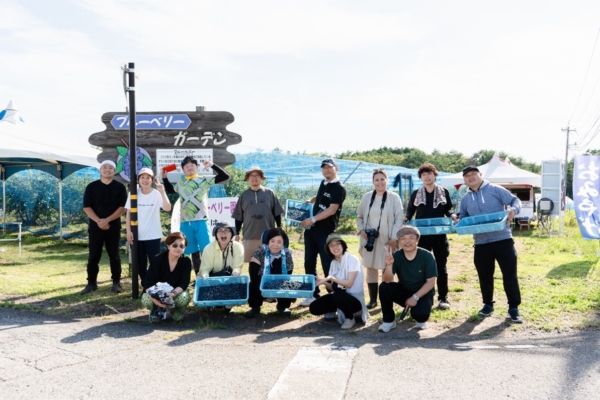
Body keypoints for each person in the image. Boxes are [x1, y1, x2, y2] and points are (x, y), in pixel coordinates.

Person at [459, 165, 523, 323]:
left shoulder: (495, 189)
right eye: (467, 176)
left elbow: (515, 200)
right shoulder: (465, 198)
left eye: (473, 174)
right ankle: (488, 304)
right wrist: (460, 222)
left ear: (480, 174)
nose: (471, 177)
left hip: (503, 239)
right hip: (480, 242)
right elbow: (463, 217)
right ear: (464, 180)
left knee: (509, 274)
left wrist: (514, 210)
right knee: (484, 275)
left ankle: (513, 308)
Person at [162, 156, 230, 277]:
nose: (189, 168)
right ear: (183, 170)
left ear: (197, 167)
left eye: (192, 165)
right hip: (185, 222)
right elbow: (171, 191)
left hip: (201, 220)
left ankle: (210, 276)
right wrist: (164, 178)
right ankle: (199, 277)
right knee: (192, 251)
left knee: (206, 249)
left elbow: (225, 176)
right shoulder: (181, 182)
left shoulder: (204, 179)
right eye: (186, 166)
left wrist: (212, 165)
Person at [404, 162, 457, 310]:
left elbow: (448, 209)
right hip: (422, 236)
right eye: (423, 175)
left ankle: (443, 298)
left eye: (429, 174)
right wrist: (406, 218)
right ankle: (424, 297)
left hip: (439, 235)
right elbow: (410, 210)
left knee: (441, 267)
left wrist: (452, 215)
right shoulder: (416, 193)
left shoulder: (443, 191)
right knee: (422, 268)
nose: (427, 177)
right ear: (421, 177)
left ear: (435, 175)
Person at [299, 158, 347, 306]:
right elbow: (320, 195)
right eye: (324, 168)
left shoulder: (339, 188)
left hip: (325, 233)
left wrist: (312, 219)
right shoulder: (324, 183)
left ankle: (333, 296)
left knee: (328, 265)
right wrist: (311, 200)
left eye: (329, 167)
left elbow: (332, 209)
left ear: (336, 169)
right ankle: (313, 294)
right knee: (309, 263)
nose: (326, 170)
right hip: (311, 231)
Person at [356, 168, 404, 309]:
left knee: (387, 267)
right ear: (373, 182)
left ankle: (386, 299)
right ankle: (373, 300)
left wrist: (394, 238)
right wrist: (362, 230)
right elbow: (359, 216)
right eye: (376, 180)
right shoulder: (366, 197)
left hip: (387, 239)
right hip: (369, 240)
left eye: (382, 179)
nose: (380, 182)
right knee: (370, 268)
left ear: (387, 180)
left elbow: (399, 219)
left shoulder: (394, 198)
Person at [378, 226, 437, 333]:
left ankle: (418, 314)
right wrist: (389, 265)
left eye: (411, 238)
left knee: (421, 316)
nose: (407, 241)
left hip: (422, 292)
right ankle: (389, 321)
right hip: (405, 290)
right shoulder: (396, 255)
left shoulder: (427, 256)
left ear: (417, 240)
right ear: (399, 241)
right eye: (403, 238)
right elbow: (386, 281)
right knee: (384, 287)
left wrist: (415, 297)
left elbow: (430, 282)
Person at [80, 160, 127, 294]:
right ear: (100, 170)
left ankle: (116, 282)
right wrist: (99, 221)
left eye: (110, 168)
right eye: (104, 167)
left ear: (114, 171)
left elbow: (122, 208)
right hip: (95, 228)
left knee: (114, 256)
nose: (107, 170)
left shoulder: (120, 187)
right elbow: (87, 207)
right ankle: (91, 283)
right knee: (93, 256)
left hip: (113, 227)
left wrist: (107, 220)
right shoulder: (91, 187)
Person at [125, 167, 172, 290]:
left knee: (154, 262)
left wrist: (162, 191)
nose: (145, 180)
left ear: (152, 180)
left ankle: (154, 285)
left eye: (148, 178)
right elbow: (128, 213)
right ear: (138, 180)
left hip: (153, 235)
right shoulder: (133, 193)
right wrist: (128, 231)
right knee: (140, 263)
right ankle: (146, 286)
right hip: (137, 235)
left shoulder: (157, 193)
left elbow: (167, 208)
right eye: (142, 177)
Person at [309, 233, 368, 329]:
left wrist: (332, 278)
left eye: (337, 244)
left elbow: (349, 284)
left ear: (343, 245)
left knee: (338, 295)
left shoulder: (353, 259)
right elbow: (333, 288)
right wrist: (323, 281)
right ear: (328, 249)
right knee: (314, 307)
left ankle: (350, 318)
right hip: (340, 296)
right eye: (331, 245)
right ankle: (335, 310)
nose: (334, 247)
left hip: (355, 300)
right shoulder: (334, 263)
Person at [232, 166, 284, 263]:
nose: (254, 178)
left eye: (257, 175)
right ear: (247, 179)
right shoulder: (244, 195)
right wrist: (237, 233)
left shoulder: (270, 193)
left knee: (268, 262)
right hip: (249, 235)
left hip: (268, 236)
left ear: (261, 178)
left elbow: (277, 212)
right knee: (252, 263)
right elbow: (238, 216)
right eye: (251, 176)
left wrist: (279, 227)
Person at [141, 232, 192, 322]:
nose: (178, 248)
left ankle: (176, 311)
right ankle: (155, 310)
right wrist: (156, 300)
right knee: (145, 299)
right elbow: (148, 283)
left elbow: (184, 283)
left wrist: (171, 295)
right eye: (175, 245)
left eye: (181, 246)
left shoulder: (186, 262)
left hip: (175, 293)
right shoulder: (157, 259)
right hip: (157, 295)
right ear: (168, 246)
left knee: (184, 297)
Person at [245, 228, 294, 318]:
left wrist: (276, 285)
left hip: (280, 282)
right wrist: (265, 288)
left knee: (289, 284)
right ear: (268, 241)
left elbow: (288, 274)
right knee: (252, 285)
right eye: (272, 241)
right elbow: (253, 275)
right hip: (260, 283)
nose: (275, 245)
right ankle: (255, 307)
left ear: (283, 242)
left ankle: (282, 306)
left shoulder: (287, 254)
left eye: (279, 242)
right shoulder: (259, 253)